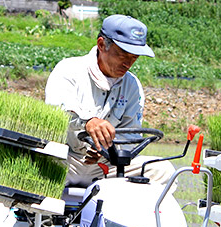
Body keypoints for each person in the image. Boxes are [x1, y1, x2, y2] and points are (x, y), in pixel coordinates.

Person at [45, 14, 174, 187]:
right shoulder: (69, 69)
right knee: (30, 159)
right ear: (101, 45)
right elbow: (56, 111)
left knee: (162, 170)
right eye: (123, 55)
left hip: (103, 166)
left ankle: (127, 214)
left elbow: (131, 134)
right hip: (65, 159)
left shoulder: (132, 85)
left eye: (134, 58)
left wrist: (109, 151)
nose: (128, 63)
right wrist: (88, 122)